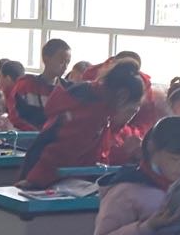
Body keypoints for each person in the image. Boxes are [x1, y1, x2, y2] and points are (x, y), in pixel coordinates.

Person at [18, 66, 146, 189]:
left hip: (52, 175)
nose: (130, 118)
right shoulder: (91, 113)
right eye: (131, 111)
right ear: (122, 96)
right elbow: (61, 151)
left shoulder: (93, 102)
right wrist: (34, 181)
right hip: (46, 179)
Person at [9, 40, 70, 130]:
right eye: (61, 61)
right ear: (46, 59)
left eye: (68, 62)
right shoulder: (26, 85)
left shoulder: (68, 89)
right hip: (27, 136)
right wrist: (37, 133)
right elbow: (14, 116)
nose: (65, 67)